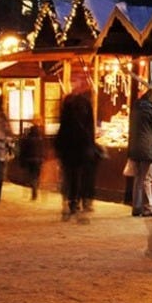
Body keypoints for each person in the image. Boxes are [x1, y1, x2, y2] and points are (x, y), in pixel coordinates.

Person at [54, 70, 99, 222]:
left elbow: (63, 126)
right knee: (78, 175)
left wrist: (58, 146)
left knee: (70, 175)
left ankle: (71, 202)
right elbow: (90, 126)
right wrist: (91, 144)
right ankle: (76, 202)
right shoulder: (85, 103)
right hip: (81, 145)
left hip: (69, 146)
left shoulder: (68, 102)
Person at [127, 87, 152, 217]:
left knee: (139, 178)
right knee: (147, 178)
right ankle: (148, 207)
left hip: (136, 147)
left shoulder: (137, 107)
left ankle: (137, 207)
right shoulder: (151, 109)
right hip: (146, 148)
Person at [18, 118, 46, 200]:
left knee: (31, 175)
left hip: (30, 159)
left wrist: (22, 160)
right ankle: (36, 188)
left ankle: (34, 190)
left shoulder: (27, 138)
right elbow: (43, 149)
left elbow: (24, 150)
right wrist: (43, 157)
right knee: (36, 175)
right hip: (38, 159)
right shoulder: (40, 138)